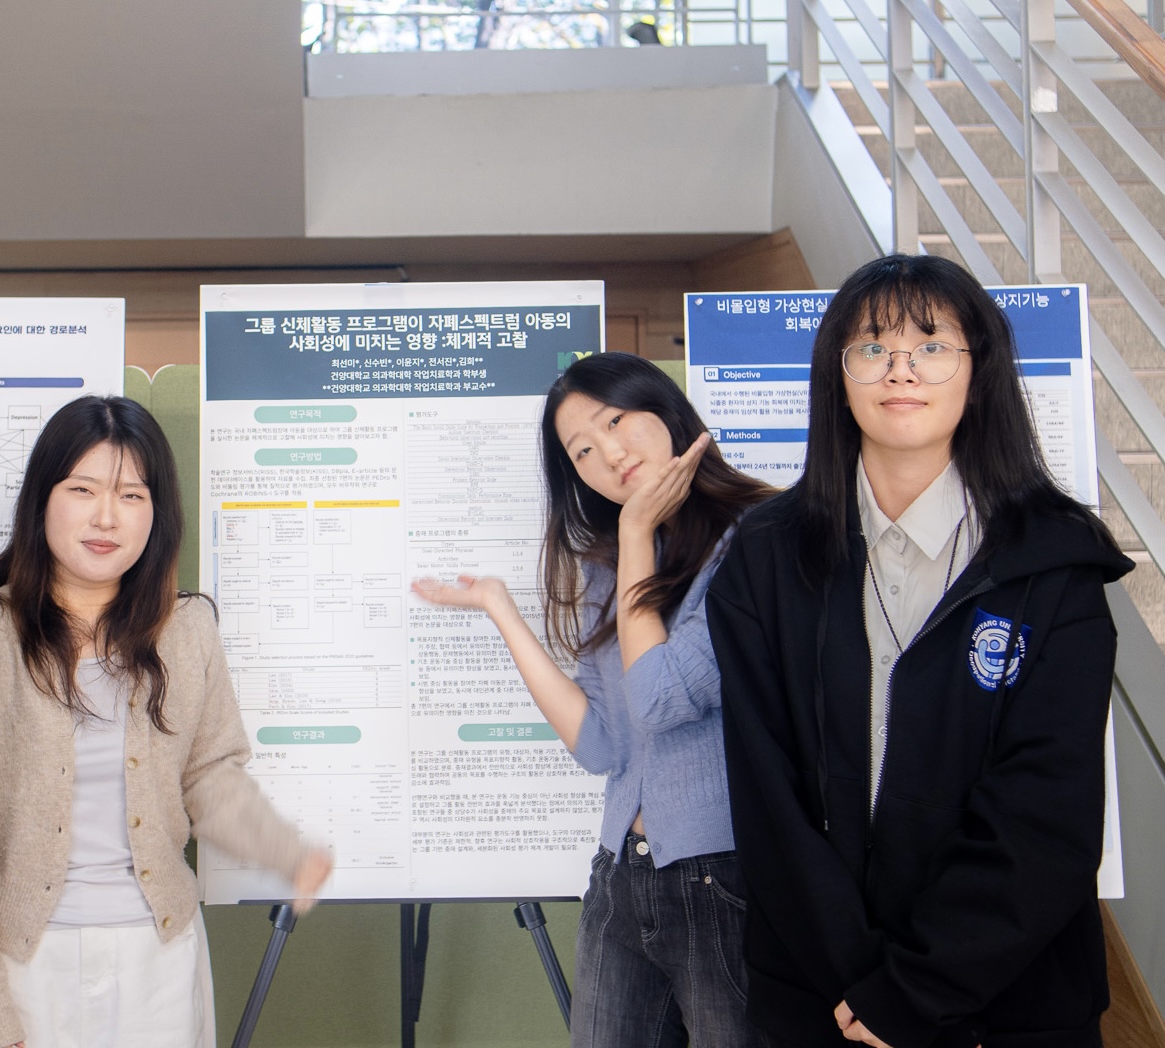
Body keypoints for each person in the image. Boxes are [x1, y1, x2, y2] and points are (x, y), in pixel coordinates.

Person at [706, 254, 1132, 1048]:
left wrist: (917, 990)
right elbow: (768, 802)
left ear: (979, 370)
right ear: (837, 375)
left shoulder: (1053, 559)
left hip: (1006, 1007)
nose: (900, 369)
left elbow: (1047, 812)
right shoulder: (765, 557)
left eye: (932, 345)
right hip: (825, 1007)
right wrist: (864, 990)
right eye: (872, 347)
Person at [0, 394, 332, 1048]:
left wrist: (285, 850)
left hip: (156, 956)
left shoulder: (188, 628)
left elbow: (209, 775)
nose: (106, 517)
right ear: (41, 499)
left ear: (157, 513)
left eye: (132, 495)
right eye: (82, 489)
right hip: (16, 961)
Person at [412, 353, 774, 1048]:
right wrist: (501, 610)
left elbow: (663, 699)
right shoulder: (608, 568)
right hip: (619, 876)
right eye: (581, 450)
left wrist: (635, 535)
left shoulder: (757, 538)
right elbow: (604, 745)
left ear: (665, 410)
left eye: (615, 421)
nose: (608, 453)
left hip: (724, 875)